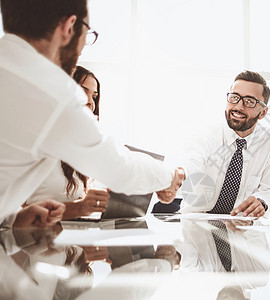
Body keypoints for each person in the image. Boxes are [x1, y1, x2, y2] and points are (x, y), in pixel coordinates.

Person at [0, 0, 184, 228]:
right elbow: (118, 167)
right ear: (69, 27)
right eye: (87, 36)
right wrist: (169, 176)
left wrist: (11, 216)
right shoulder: (50, 91)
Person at [177, 70, 270, 218]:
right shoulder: (207, 133)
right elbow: (193, 163)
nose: (238, 107)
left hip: (242, 228)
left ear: (263, 113)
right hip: (197, 223)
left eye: (249, 101)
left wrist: (262, 202)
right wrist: (181, 174)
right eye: (234, 97)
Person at [25, 66, 110, 220]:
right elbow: (13, 213)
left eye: (94, 97)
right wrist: (78, 208)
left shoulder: (80, 151)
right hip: (30, 240)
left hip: (69, 239)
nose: (91, 102)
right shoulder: (32, 142)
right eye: (83, 92)